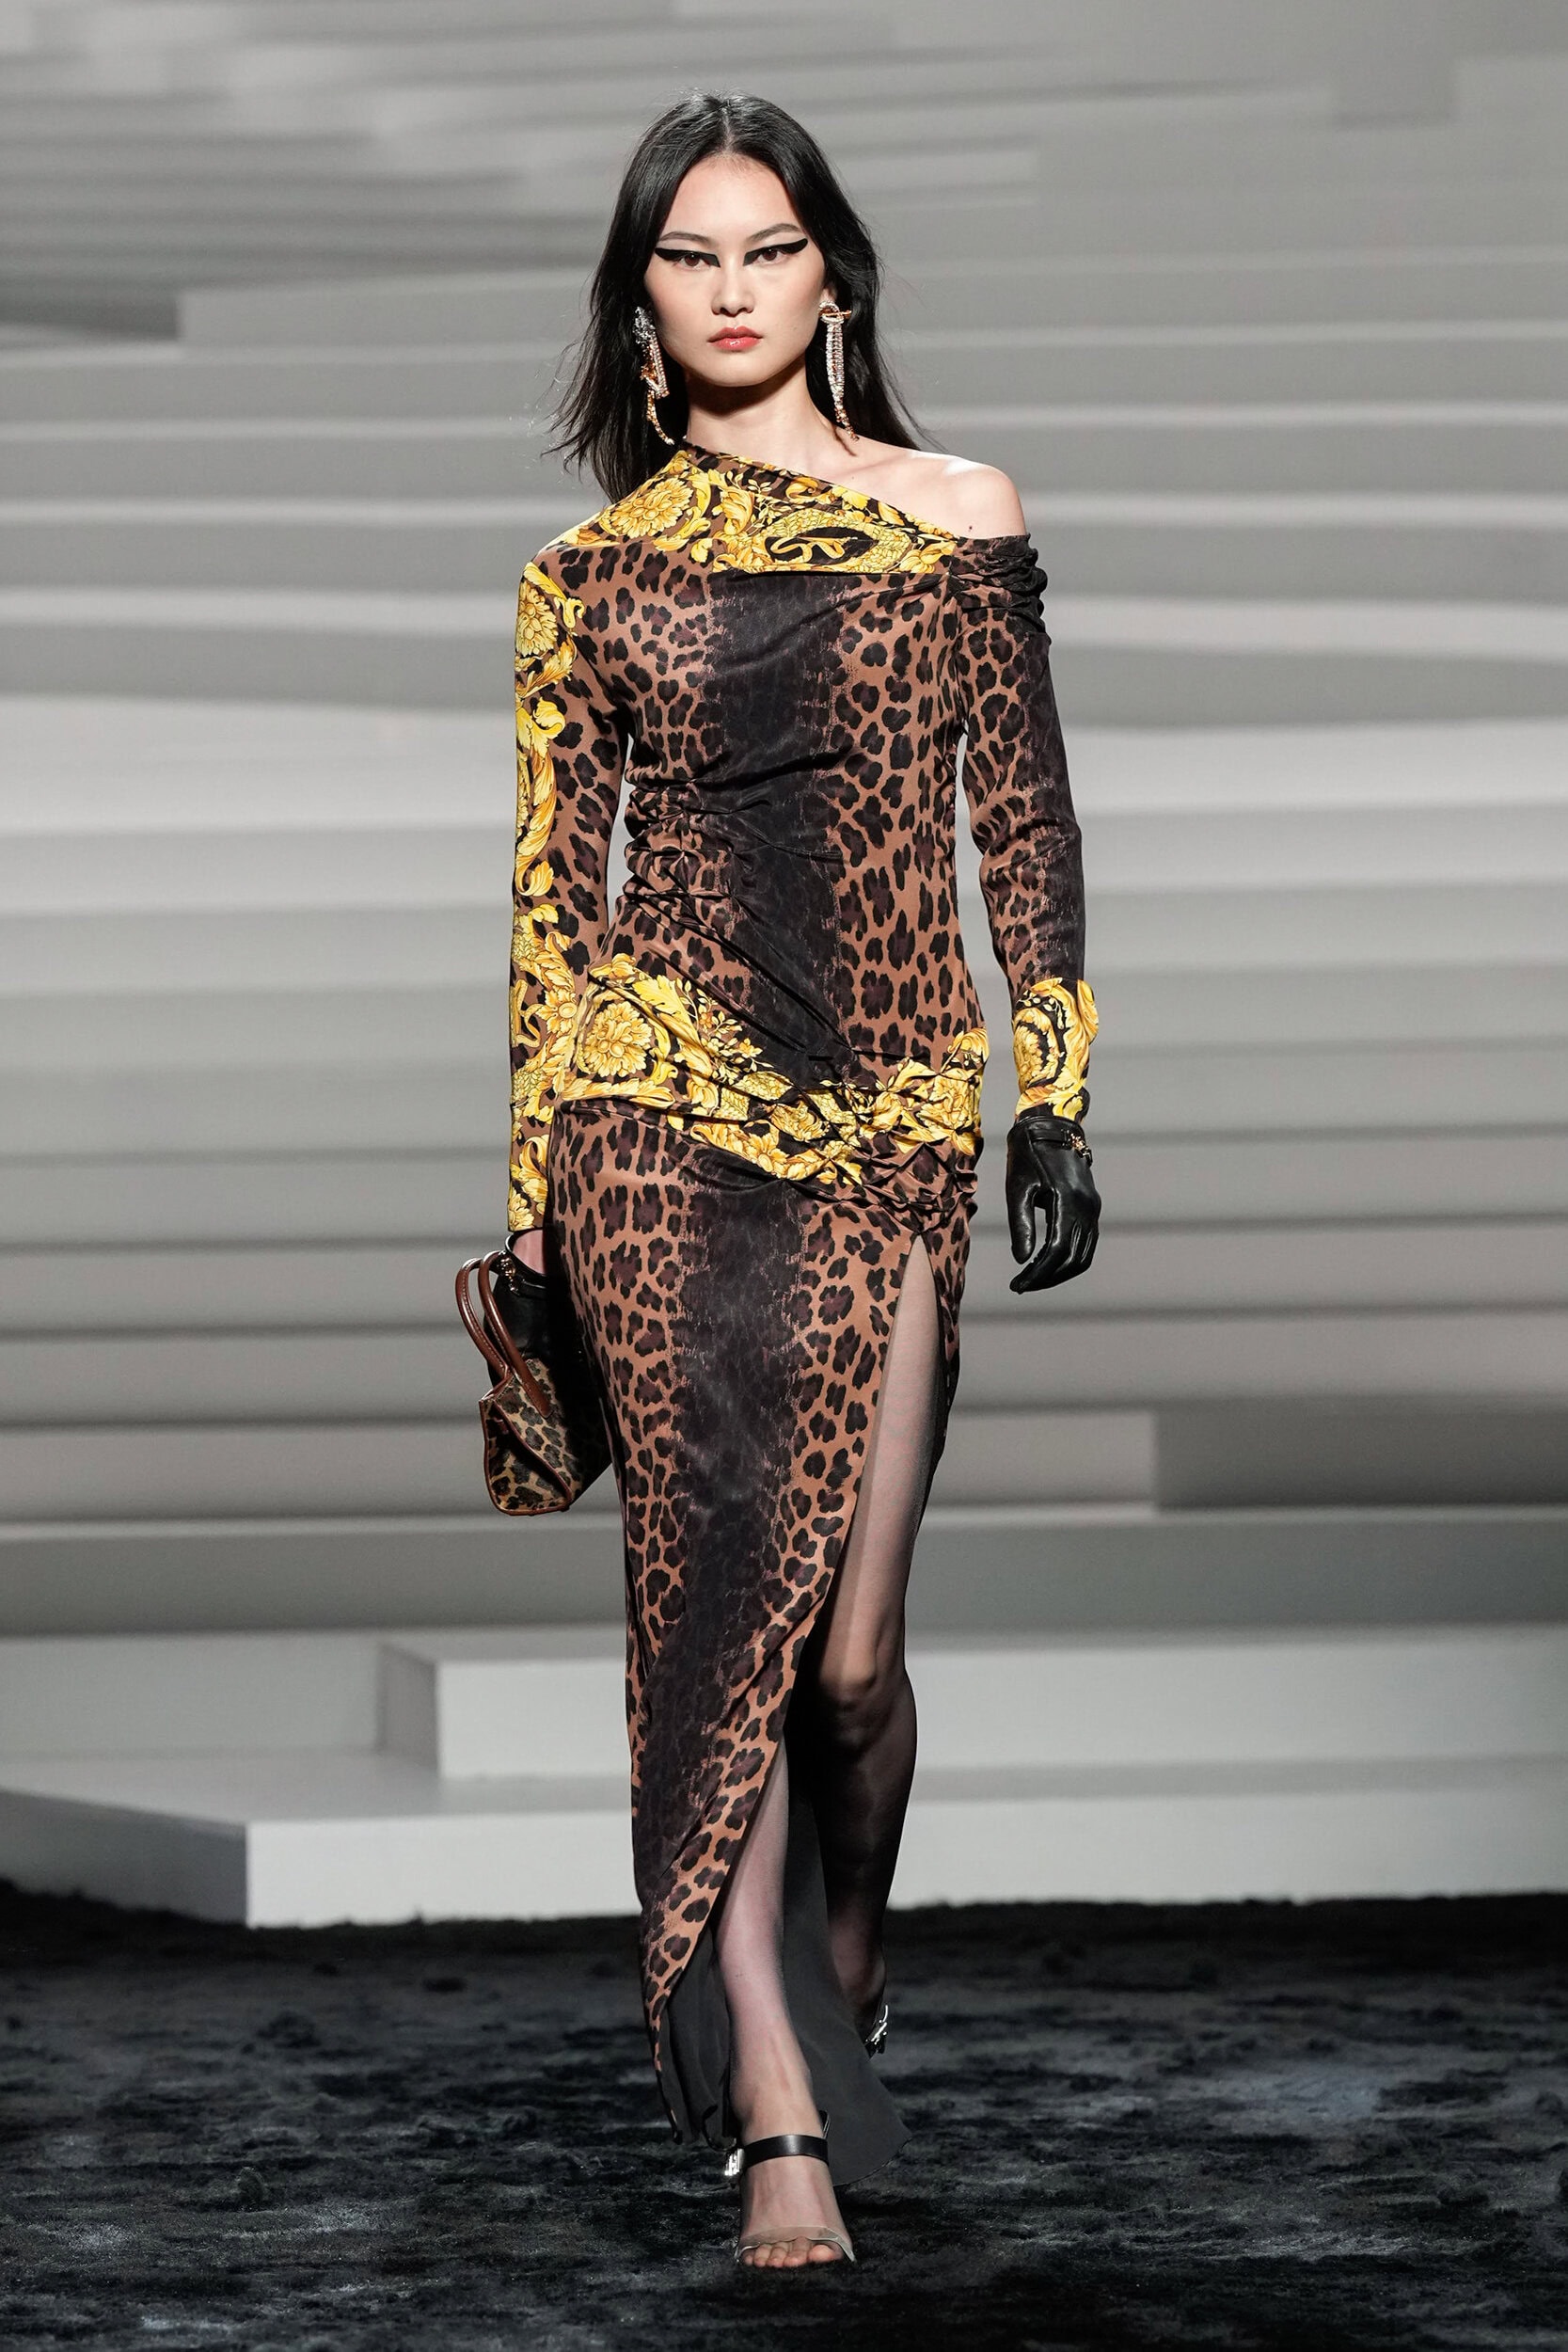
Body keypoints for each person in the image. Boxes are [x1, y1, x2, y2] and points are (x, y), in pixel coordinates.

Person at [500, 90, 1100, 2270]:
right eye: (690, 255)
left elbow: (1020, 814)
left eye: (768, 248)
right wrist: (537, 1197)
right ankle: (774, 2099)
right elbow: (552, 907)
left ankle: (846, 1950)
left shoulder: (955, 516)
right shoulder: (586, 581)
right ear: (638, 302)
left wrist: (1053, 1090)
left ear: (832, 275)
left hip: (888, 1116)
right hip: (652, 1127)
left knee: (847, 1664)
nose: (733, 287)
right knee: (717, 1620)